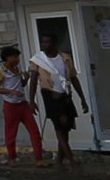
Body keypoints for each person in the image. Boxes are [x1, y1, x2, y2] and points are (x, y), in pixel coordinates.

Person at [29, 38, 82, 167]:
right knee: (58, 125)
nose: (45, 44)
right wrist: (32, 100)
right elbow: (34, 80)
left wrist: (82, 98)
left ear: (54, 44)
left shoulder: (65, 58)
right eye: (43, 42)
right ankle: (70, 158)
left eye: (48, 42)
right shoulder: (38, 60)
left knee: (66, 127)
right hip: (50, 94)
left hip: (64, 93)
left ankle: (59, 158)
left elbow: (73, 78)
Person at [0, 46, 45, 162]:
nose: (17, 59)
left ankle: (39, 158)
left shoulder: (17, 68)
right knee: (11, 133)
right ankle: (12, 158)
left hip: (22, 104)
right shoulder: (0, 71)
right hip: (10, 105)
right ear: (7, 57)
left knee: (34, 131)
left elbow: (21, 84)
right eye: (15, 57)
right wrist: (11, 92)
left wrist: (25, 79)